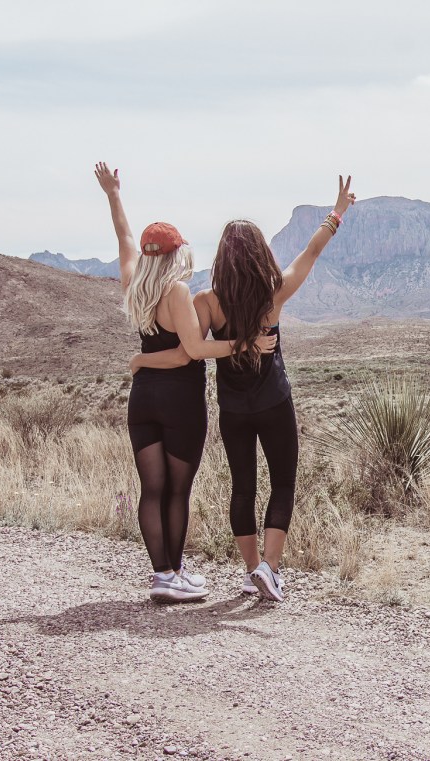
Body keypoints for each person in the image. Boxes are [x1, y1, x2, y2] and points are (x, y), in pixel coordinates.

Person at [136, 175, 356, 601]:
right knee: (283, 483)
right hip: (274, 401)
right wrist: (337, 213)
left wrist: (144, 359)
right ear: (259, 255)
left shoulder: (207, 302)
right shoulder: (274, 294)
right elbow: (311, 252)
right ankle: (269, 570)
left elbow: (190, 350)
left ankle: (251, 568)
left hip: (233, 409)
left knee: (243, 487)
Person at [96, 162, 277, 603]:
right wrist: (244, 343)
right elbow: (191, 351)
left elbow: (123, 238)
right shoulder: (176, 292)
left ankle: (163, 574)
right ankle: (171, 575)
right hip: (179, 401)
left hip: (142, 400)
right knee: (177, 489)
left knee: (150, 489)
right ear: (176, 255)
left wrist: (114, 196)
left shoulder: (134, 283)